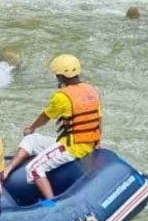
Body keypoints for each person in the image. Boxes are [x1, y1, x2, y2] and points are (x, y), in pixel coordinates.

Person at [9, 54, 102, 200]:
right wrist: (98, 142)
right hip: (88, 143)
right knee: (32, 140)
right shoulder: (92, 90)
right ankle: (7, 171)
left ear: (61, 76)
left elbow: (46, 116)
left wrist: (31, 128)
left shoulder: (62, 97)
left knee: (33, 169)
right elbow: (98, 119)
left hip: (72, 148)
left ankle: (52, 201)